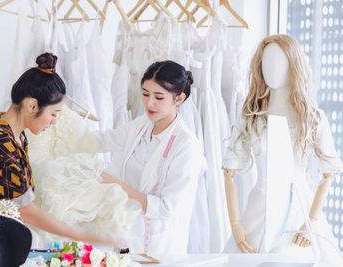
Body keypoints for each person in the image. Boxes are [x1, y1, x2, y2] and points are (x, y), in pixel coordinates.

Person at [222, 34, 343, 266]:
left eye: (280, 62)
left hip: (300, 213)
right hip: (259, 211)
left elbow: (329, 174)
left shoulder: (313, 119)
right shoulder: (251, 118)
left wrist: (312, 221)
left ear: (293, 65)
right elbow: (229, 172)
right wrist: (235, 224)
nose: (272, 69)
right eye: (266, 62)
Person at [0, 52, 104, 245]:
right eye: (53, 114)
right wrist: (78, 236)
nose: (54, 121)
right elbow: (26, 211)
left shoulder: (16, 134)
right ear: (32, 106)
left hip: (7, 237)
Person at [94, 60, 205, 256]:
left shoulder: (187, 147)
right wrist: (61, 129)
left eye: (158, 97)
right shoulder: (141, 125)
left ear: (179, 98)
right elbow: (105, 140)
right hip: (126, 238)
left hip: (160, 246)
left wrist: (115, 185)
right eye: (145, 94)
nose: (149, 103)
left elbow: (167, 209)